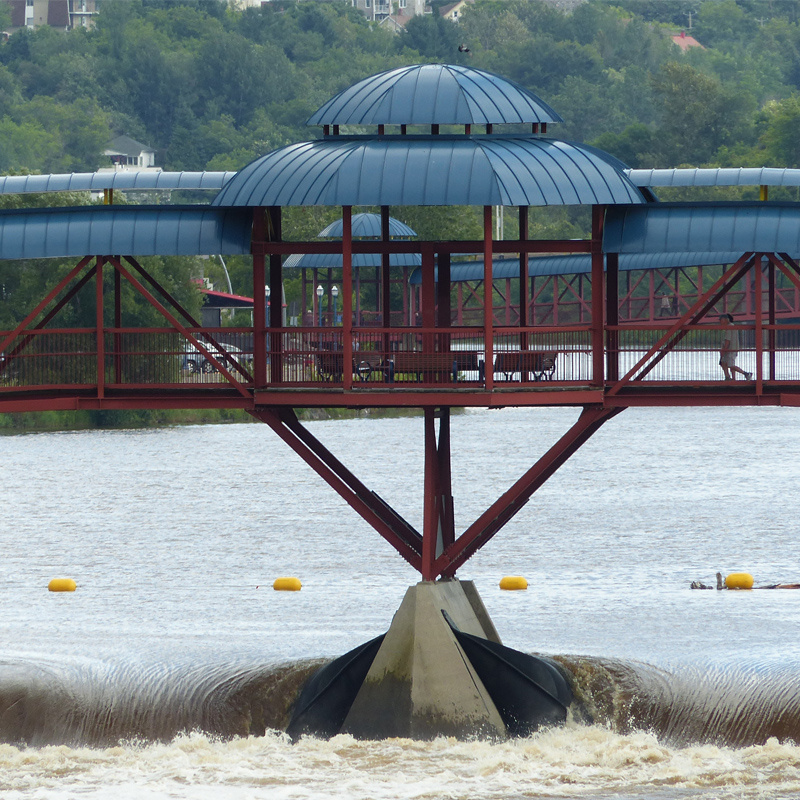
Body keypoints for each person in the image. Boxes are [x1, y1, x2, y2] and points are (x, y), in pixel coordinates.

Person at [718, 313, 752, 381]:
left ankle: (746, 373)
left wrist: (724, 350)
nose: (719, 321)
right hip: (731, 349)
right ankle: (729, 378)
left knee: (730, 365)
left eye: (721, 320)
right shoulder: (732, 326)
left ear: (725, 320)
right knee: (723, 362)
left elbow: (728, 340)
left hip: (730, 349)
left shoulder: (729, 327)